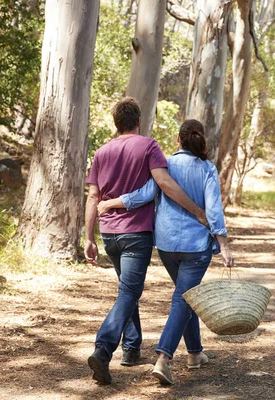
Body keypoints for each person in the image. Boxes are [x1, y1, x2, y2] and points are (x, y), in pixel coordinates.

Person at [98, 119, 234, 385]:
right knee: (183, 299)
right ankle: (164, 358)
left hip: (167, 244)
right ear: (200, 139)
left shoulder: (165, 165)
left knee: (186, 296)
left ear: (177, 139)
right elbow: (213, 209)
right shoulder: (206, 168)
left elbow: (144, 194)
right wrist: (224, 243)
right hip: (196, 246)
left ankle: (194, 353)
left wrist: (114, 203)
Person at [84, 98, 207, 385]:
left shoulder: (102, 152)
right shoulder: (148, 146)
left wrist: (88, 237)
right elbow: (163, 183)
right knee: (129, 291)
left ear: (116, 123)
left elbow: (92, 196)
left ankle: (131, 347)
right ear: (138, 120)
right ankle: (103, 349)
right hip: (136, 232)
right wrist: (197, 211)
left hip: (109, 233)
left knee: (127, 288)